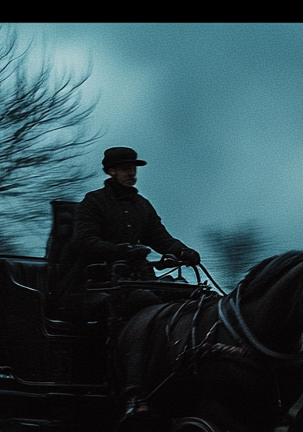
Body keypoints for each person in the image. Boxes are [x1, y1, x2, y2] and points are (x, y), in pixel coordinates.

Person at [54, 146, 200, 416]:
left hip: (134, 281)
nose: (131, 173)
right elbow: (85, 241)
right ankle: (133, 390)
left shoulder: (141, 205)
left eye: (133, 168)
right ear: (110, 171)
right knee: (141, 303)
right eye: (124, 168)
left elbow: (160, 237)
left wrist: (183, 251)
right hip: (95, 284)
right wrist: (123, 250)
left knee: (187, 299)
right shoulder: (93, 202)